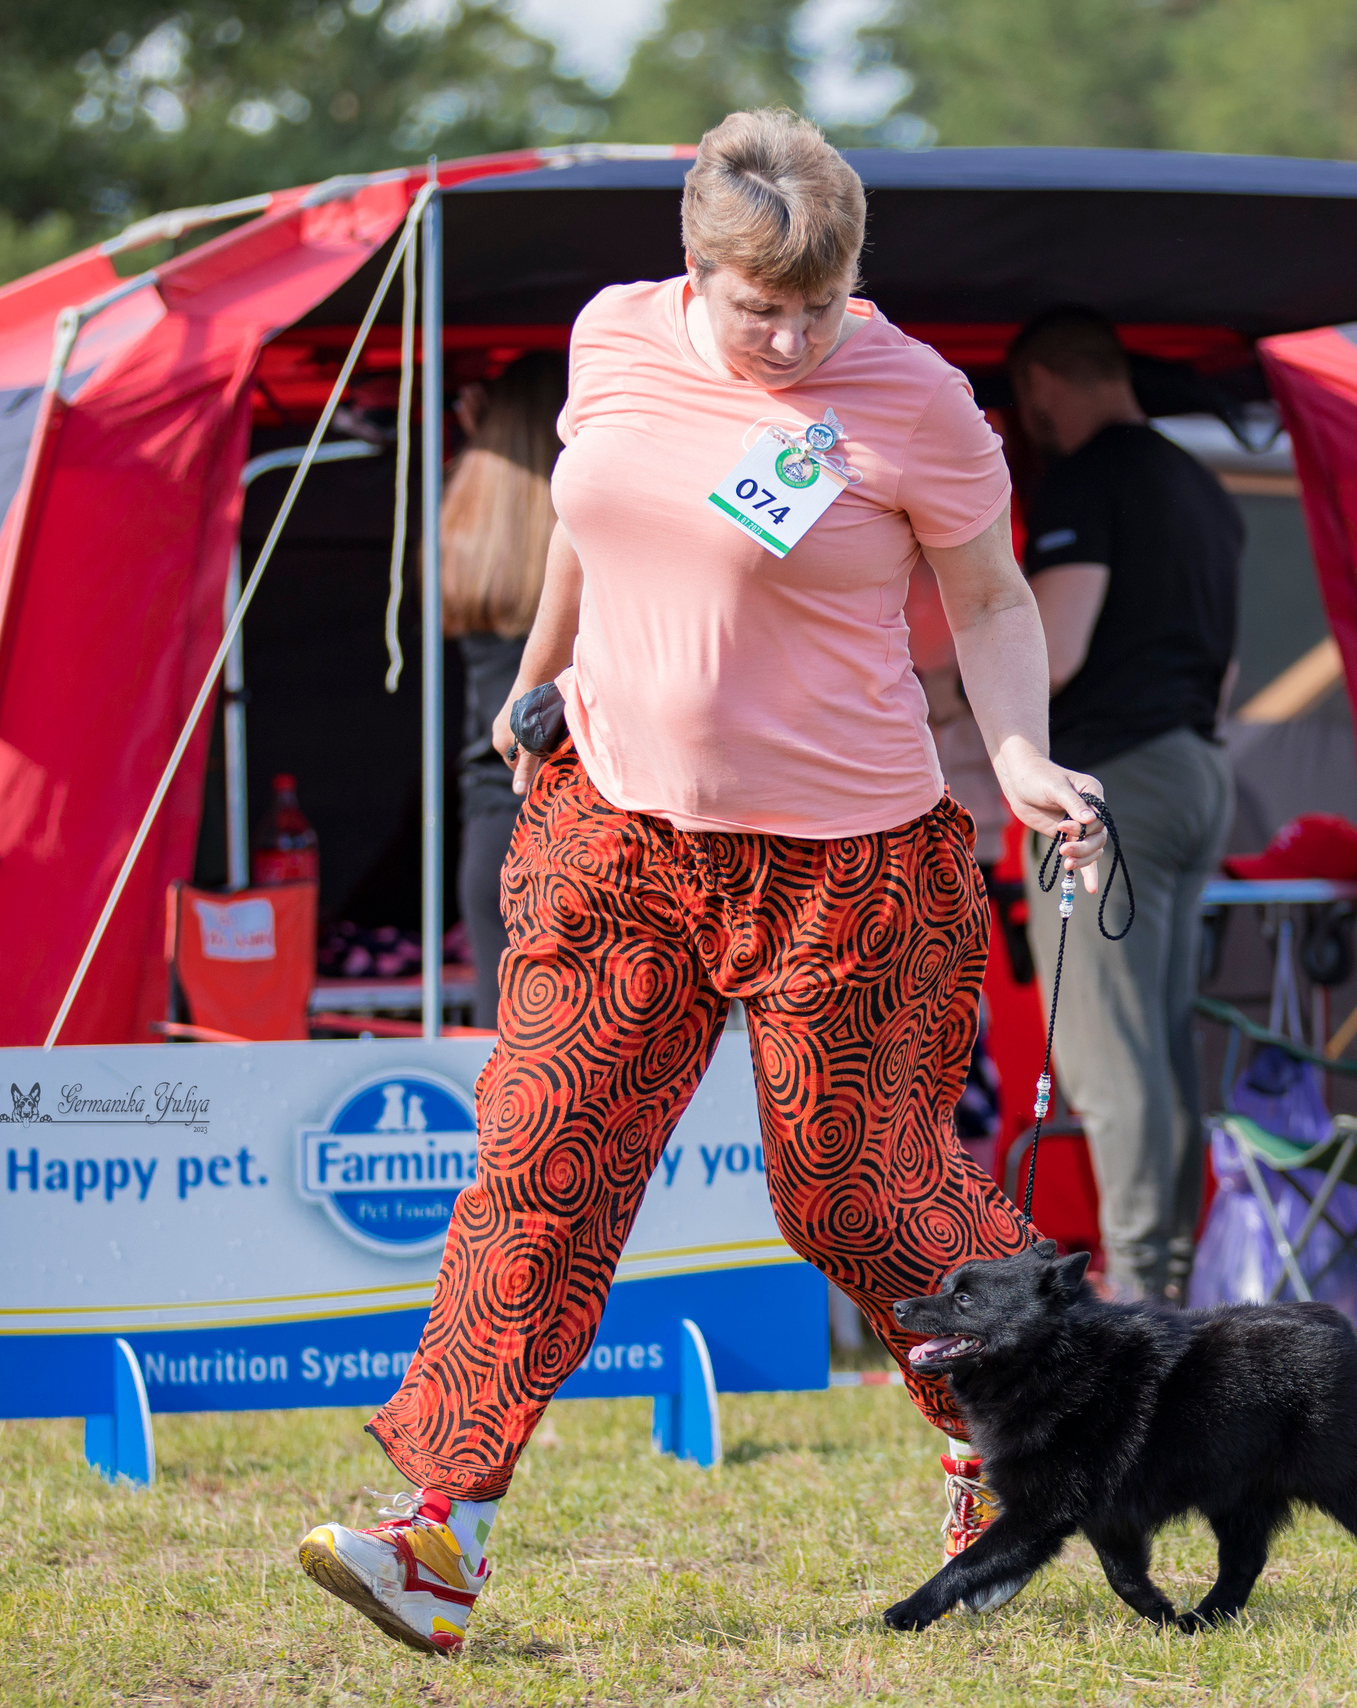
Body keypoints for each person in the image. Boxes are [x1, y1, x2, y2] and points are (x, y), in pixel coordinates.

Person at [295, 109, 1107, 1656]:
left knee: (852, 1196)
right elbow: (586, 530)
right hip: (614, 833)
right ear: (695, 267)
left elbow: (994, 599)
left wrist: (1017, 761)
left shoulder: (919, 399)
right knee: (540, 1162)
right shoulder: (610, 340)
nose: (793, 337)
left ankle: (1019, 1425)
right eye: (760, 307)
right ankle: (440, 1533)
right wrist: (535, 678)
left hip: (848, 863)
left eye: (819, 303)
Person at [1006, 308, 1241, 1304]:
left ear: (1044, 385)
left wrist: (941, 687)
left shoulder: (1091, 476)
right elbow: (1223, 670)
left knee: (1107, 1056)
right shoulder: (1203, 488)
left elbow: (1051, 652)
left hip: (1109, 788)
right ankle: (1166, 1274)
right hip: (1195, 768)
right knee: (1162, 1042)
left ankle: (1140, 1287)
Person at [441, 351, 566, 1031]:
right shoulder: (596, 528)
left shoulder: (463, 520)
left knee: (510, 1076)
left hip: (493, 824)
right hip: (584, 823)